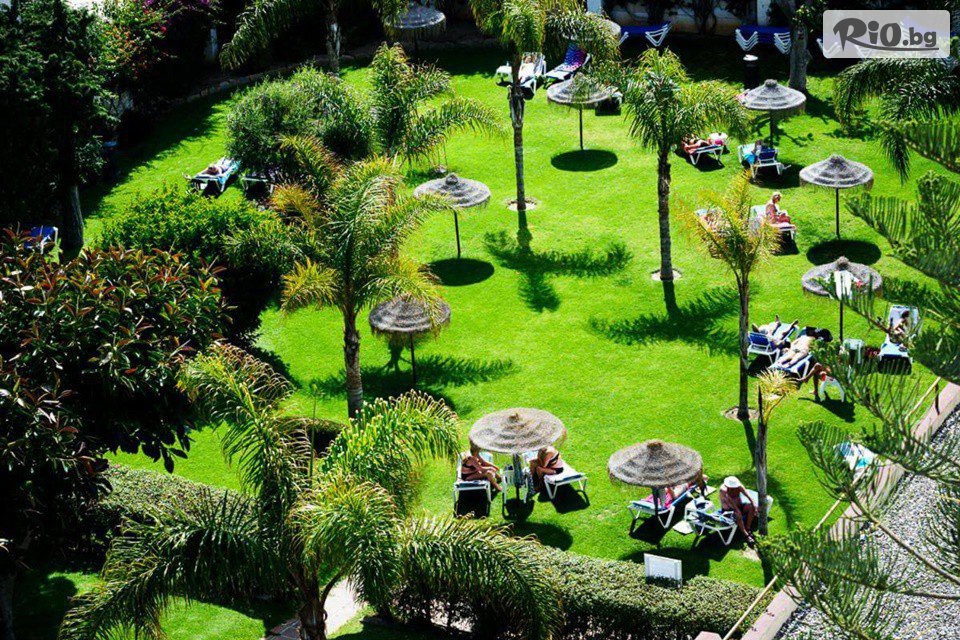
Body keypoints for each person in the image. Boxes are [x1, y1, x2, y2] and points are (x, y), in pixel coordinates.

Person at [719, 476, 756, 544]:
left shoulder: (739, 487)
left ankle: (747, 528)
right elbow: (730, 503)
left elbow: (748, 495)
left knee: (751, 506)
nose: (733, 488)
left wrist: (754, 504)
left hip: (739, 506)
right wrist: (737, 510)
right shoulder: (723, 490)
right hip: (728, 511)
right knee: (737, 514)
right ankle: (745, 534)